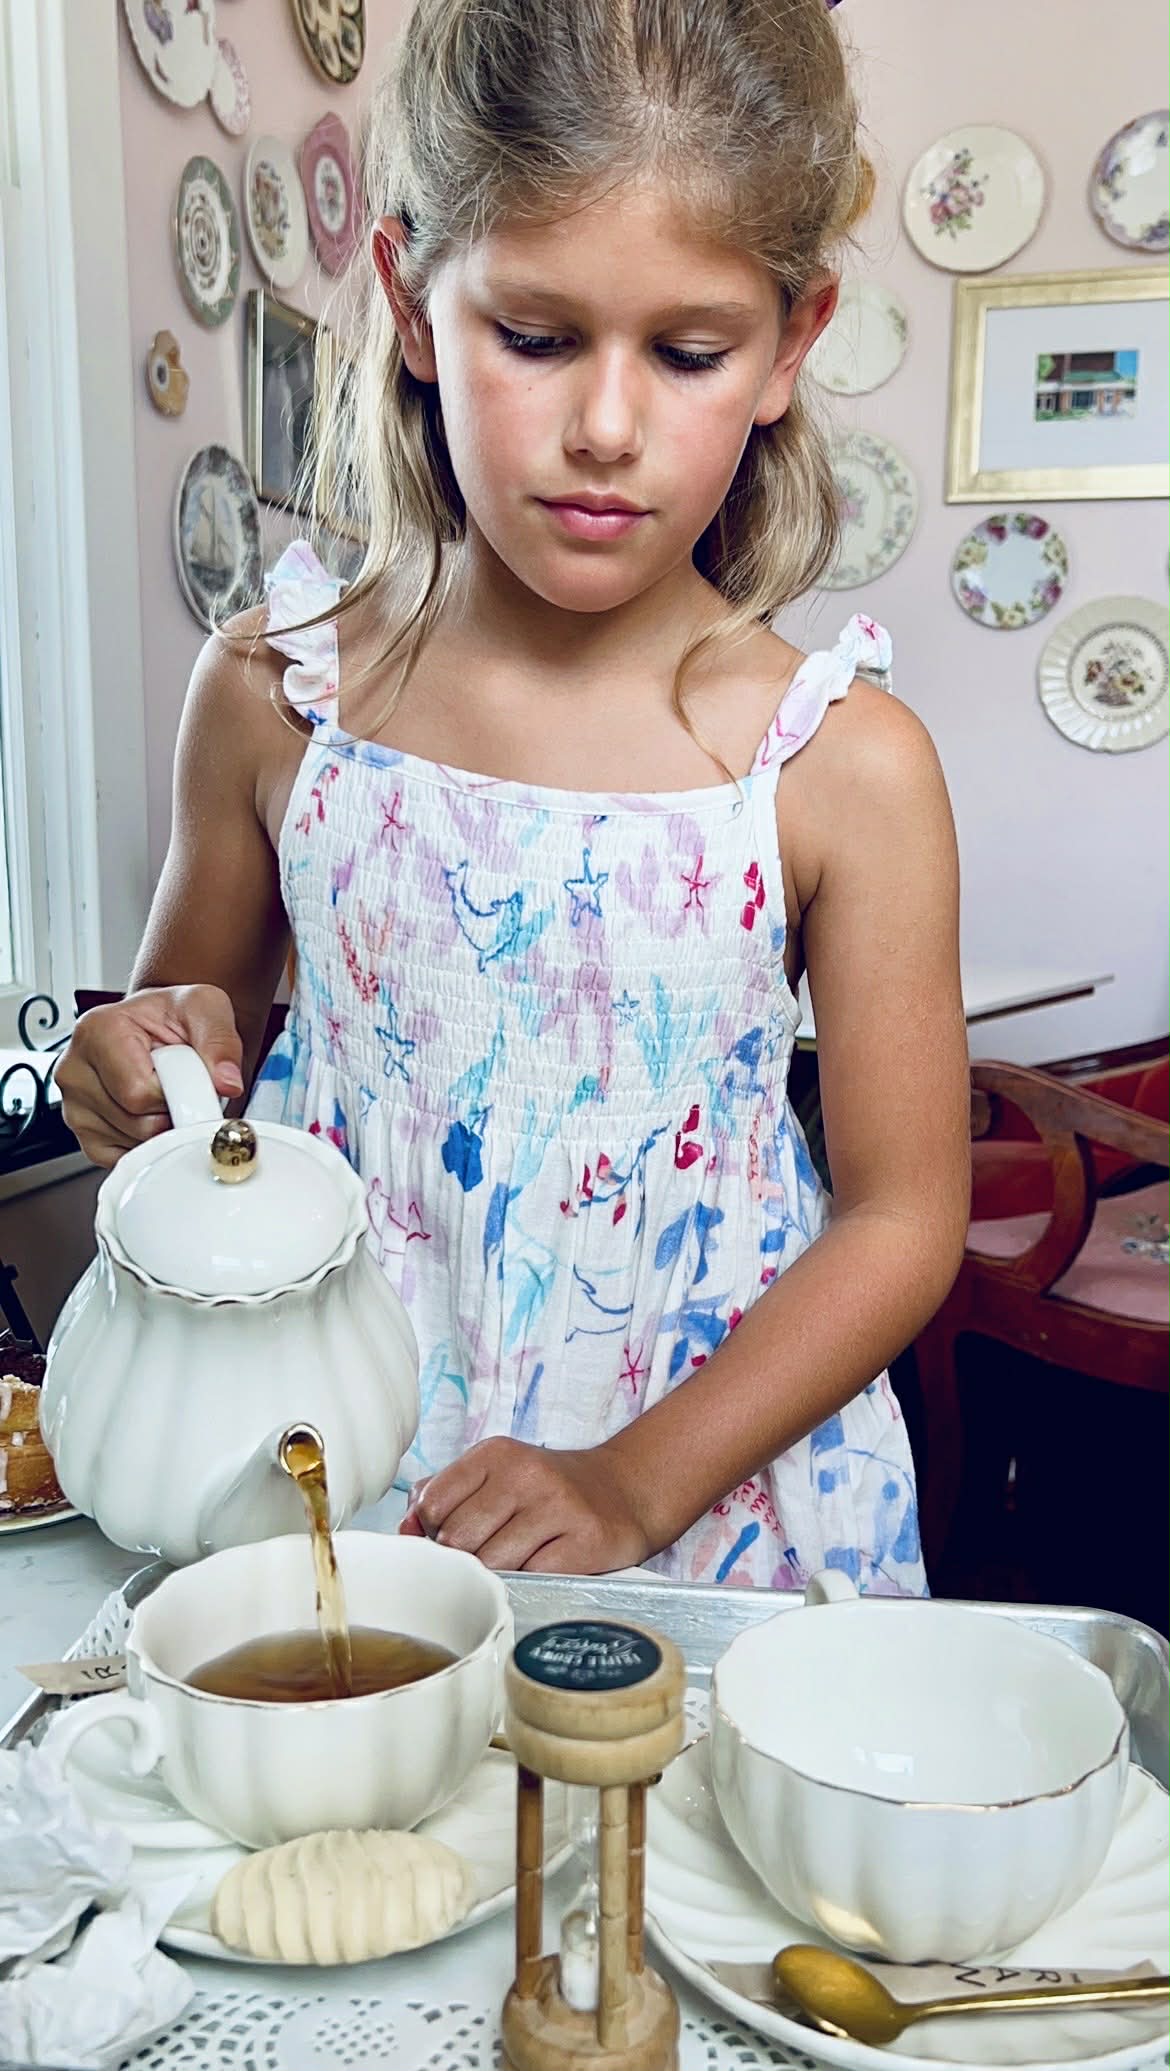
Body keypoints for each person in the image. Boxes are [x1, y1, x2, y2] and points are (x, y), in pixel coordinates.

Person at [57, 0, 970, 1590]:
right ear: (415, 307)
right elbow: (193, 1044)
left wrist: (630, 1482)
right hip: (326, 1487)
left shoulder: (840, 765)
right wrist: (134, 1067)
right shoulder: (277, 698)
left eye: (688, 352)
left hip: (709, 1508)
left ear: (789, 346)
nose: (606, 427)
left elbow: (898, 1223)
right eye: (534, 337)